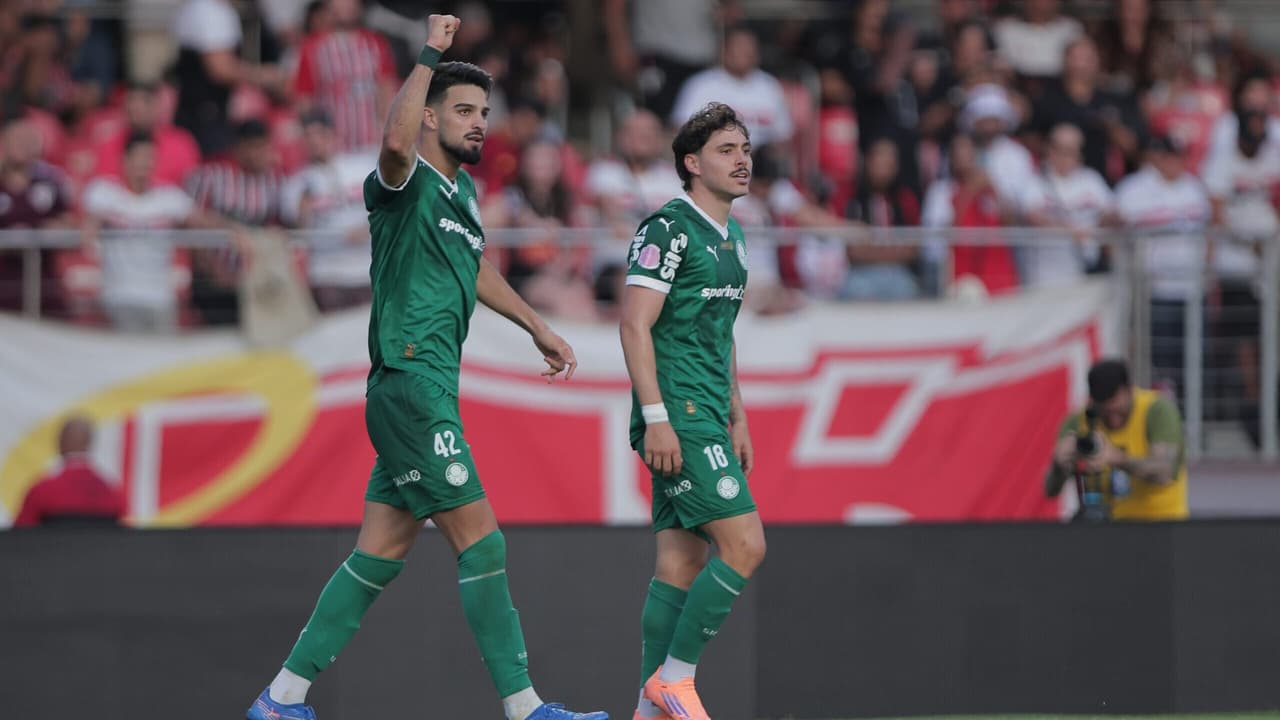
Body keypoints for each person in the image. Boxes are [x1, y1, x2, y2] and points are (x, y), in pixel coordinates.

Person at [245, 16, 606, 720]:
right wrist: (430, 56)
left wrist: (537, 325)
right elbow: (391, 140)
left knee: (378, 554)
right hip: (411, 383)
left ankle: (281, 698)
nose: (479, 125)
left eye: (484, 114)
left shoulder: (462, 197)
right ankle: (526, 709)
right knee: (483, 540)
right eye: (464, 112)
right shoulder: (402, 180)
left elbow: (473, 268)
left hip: (424, 387)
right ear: (431, 115)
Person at [619, 102, 766, 720]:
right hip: (676, 414)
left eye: (745, 150)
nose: (742, 161)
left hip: (709, 409)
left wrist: (739, 412)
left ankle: (648, 710)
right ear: (692, 162)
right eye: (727, 151)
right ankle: (676, 679)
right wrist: (656, 417)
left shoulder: (731, 237)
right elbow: (633, 324)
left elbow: (722, 332)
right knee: (746, 545)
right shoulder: (668, 229)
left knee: (681, 562)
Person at [81, 132, 199, 332]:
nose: (145, 163)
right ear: (125, 160)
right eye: (140, 157)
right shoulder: (105, 193)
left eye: (150, 157)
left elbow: (203, 220)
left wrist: (234, 229)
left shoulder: (168, 197)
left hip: (161, 298)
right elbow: (89, 224)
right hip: (119, 297)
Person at [1045, 358, 1188, 520]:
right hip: (1104, 526)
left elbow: (1164, 472)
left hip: (1159, 523)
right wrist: (1059, 464)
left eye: (1118, 410)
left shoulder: (1157, 411)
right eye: (1104, 413)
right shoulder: (1079, 423)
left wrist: (1115, 458)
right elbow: (1050, 490)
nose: (1113, 420)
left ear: (1130, 390)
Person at [280, 109, 375, 310]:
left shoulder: (363, 166)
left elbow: (390, 209)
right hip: (326, 274)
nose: (314, 142)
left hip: (367, 270)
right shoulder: (295, 183)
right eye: (308, 136)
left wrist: (368, 228)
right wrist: (303, 209)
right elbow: (298, 233)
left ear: (332, 135)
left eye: (320, 134)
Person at [1020, 123, 1116, 287]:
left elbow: (1110, 212)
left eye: (1072, 150)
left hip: (1085, 272)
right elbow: (1033, 216)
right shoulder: (1034, 182)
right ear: (1049, 150)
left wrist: (1099, 231)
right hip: (1044, 277)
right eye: (1061, 149)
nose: (1066, 156)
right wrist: (1069, 230)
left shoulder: (1091, 179)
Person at [669, 25, 793, 149]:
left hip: (761, 161)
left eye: (749, 48)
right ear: (724, 51)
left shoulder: (769, 85)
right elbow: (682, 130)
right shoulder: (701, 85)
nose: (745, 52)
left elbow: (783, 135)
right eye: (739, 47)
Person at [13, 415, 124, 528]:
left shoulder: (42, 491)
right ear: (88, 443)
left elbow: (19, 538)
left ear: (61, 442)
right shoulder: (114, 494)